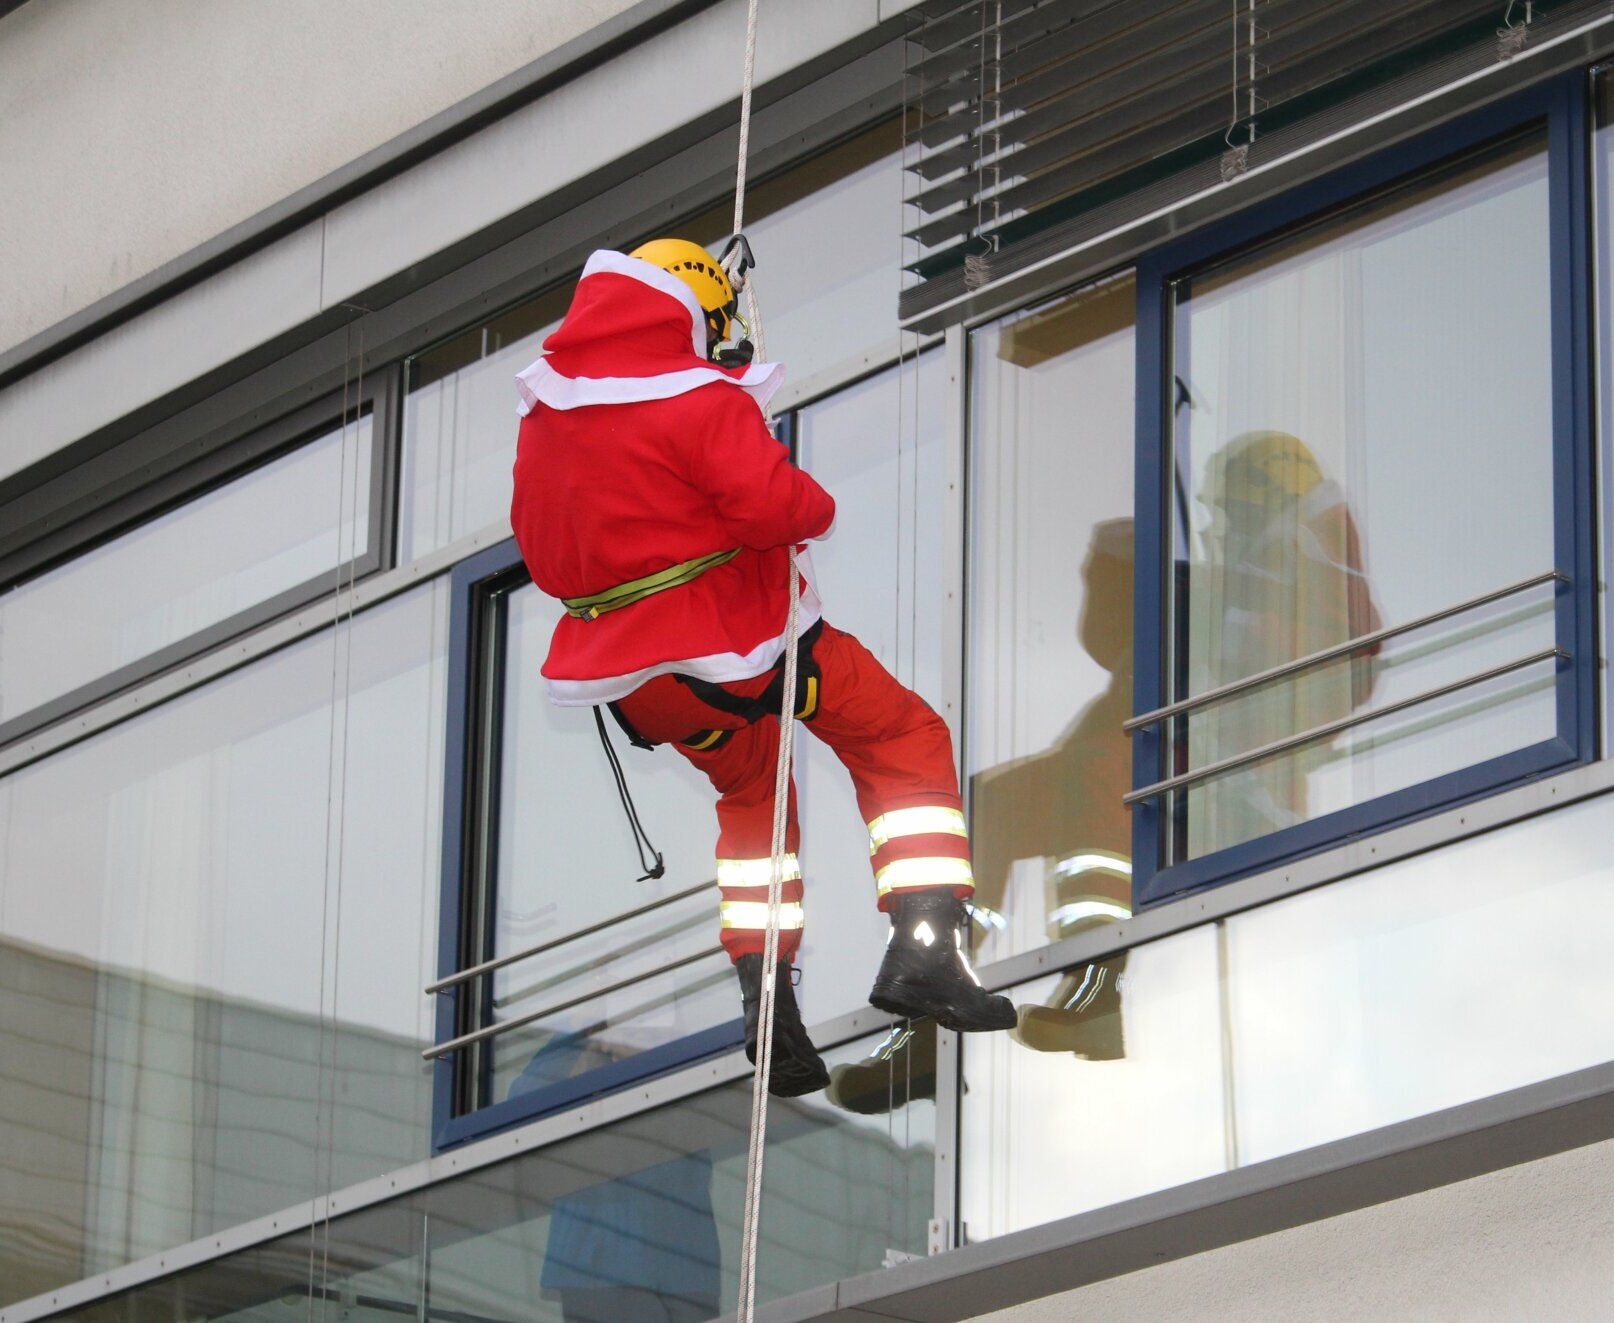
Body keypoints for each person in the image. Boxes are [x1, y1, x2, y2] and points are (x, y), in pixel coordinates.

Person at [509, 239, 1014, 1099]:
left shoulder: (550, 416)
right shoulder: (700, 399)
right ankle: (927, 942)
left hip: (645, 688)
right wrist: (811, 494)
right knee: (902, 736)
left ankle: (765, 999)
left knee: (751, 796)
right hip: (738, 649)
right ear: (698, 314)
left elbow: (542, 548)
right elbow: (781, 508)